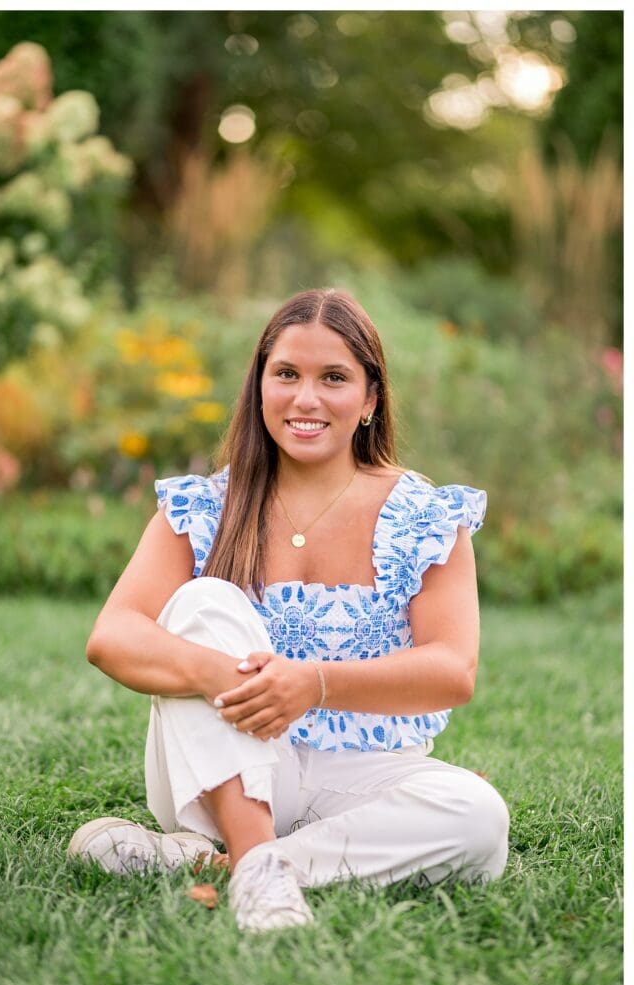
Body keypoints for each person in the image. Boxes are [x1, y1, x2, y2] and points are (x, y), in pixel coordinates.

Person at [68, 288, 510, 932]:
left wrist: (314, 684)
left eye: (334, 378)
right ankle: (255, 860)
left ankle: (226, 864)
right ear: (260, 388)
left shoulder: (426, 514)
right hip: (226, 769)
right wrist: (223, 678)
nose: (307, 399)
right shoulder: (203, 506)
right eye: (287, 375)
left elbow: (451, 669)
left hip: (365, 777)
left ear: (370, 400)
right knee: (203, 599)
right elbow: (112, 637)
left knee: (479, 818)